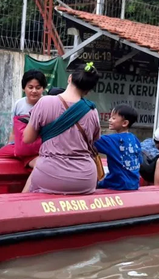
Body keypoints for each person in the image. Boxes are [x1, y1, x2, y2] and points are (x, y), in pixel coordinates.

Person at [21, 62, 101, 195]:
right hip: (85, 179)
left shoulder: (45, 102)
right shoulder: (92, 111)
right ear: (88, 90)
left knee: (25, 197)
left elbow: (27, 139)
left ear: (70, 78)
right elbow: (94, 141)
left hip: (50, 175)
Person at [0, 69, 47, 167]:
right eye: (30, 87)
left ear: (43, 88)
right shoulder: (19, 104)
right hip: (18, 146)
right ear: (23, 88)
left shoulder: (48, 104)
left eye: (38, 87)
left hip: (38, 149)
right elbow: (14, 131)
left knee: (38, 164)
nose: (34, 91)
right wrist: (10, 145)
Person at [94, 104, 142, 191]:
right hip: (134, 184)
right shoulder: (134, 139)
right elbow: (139, 160)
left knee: (94, 185)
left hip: (117, 183)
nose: (109, 120)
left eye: (113, 118)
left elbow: (90, 139)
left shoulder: (112, 140)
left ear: (125, 123)